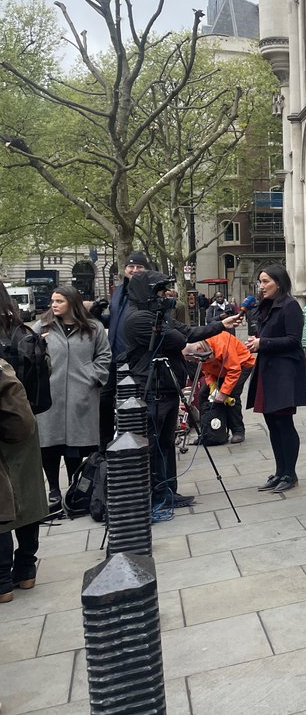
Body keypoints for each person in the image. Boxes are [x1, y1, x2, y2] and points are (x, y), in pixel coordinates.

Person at [122, 270, 241, 513]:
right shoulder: (138, 319)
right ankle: (157, 493)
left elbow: (187, 332)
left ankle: (169, 491)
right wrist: (178, 332)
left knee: (167, 442)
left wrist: (220, 325)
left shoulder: (157, 315)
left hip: (167, 387)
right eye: (158, 291)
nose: (163, 296)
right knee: (155, 443)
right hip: (152, 388)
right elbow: (178, 340)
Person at [36, 286, 111, 513]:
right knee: (48, 445)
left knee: (76, 448)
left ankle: (76, 488)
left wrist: (93, 376)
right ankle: (54, 491)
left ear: (72, 303)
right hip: (50, 396)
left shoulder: (93, 327)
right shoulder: (42, 326)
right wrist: (39, 344)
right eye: (52, 301)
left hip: (82, 395)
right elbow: (28, 355)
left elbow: (105, 355)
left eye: (59, 301)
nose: (54, 305)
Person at [244, 265, 306, 493]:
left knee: (284, 423)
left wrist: (263, 343)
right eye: (260, 282)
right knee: (272, 423)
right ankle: (280, 471)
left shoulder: (290, 306)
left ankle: (290, 474)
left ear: (279, 283)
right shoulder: (265, 306)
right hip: (267, 370)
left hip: (284, 372)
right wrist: (255, 341)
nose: (261, 287)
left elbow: (294, 340)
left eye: (265, 282)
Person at [95, 251, 149, 446]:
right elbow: (116, 320)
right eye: (131, 267)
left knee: (134, 402)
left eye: (139, 267)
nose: (134, 270)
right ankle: (105, 443)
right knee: (104, 399)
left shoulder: (148, 292)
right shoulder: (118, 291)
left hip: (136, 356)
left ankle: (138, 442)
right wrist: (99, 316)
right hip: (113, 355)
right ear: (124, 269)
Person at [1, 357, 41, 604]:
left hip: (11, 439)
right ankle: (26, 569)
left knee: (3, 511)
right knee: (27, 500)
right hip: (22, 440)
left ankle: (3, 581)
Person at [183, 331, 256, 444]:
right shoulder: (202, 352)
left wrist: (223, 393)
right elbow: (207, 370)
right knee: (203, 394)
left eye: (195, 359)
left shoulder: (221, 345)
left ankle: (238, 431)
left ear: (198, 349)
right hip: (219, 370)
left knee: (232, 394)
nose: (196, 362)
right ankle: (206, 431)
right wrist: (212, 385)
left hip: (241, 365)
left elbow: (234, 370)